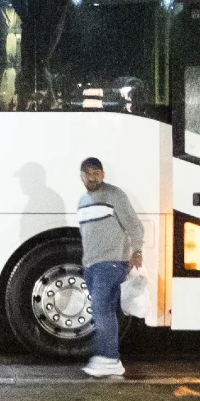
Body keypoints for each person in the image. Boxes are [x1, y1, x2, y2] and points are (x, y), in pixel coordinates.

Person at [76, 157, 143, 378]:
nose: (92, 177)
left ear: (103, 174)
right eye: (87, 173)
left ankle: (109, 358)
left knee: (102, 309)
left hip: (111, 263)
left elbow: (134, 225)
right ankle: (106, 358)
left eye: (96, 172)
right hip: (91, 266)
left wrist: (137, 250)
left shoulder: (114, 195)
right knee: (103, 310)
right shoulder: (82, 201)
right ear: (81, 176)